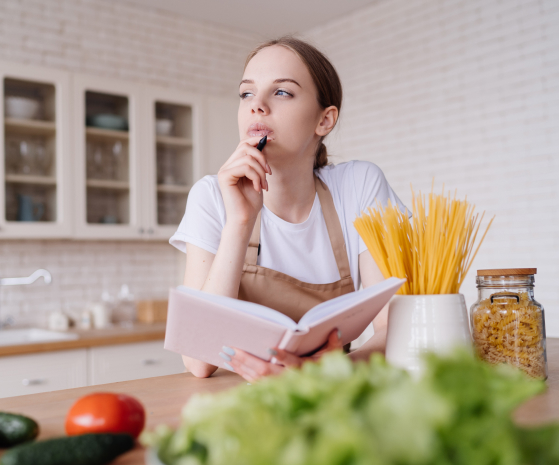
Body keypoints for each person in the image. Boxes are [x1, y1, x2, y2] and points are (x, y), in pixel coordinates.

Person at [169, 37, 408, 382]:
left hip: (334, 389)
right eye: (247, 93)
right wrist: (240, 222)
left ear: (324, 120)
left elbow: (394, 330)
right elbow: (198, 361)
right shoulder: (210, 196)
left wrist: (325, 372)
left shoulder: (359, 186)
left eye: (281, 92)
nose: (258, 106)